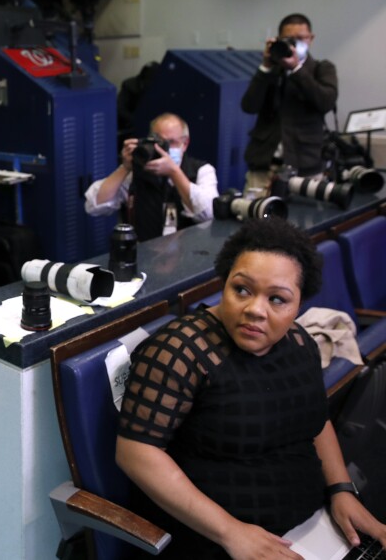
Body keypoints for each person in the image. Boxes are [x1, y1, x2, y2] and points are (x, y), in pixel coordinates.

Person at [116, 217, 386, 558]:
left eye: (277, 299)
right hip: (214, 537)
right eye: (241, 289)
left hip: (313, 526)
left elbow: (315, 423)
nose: (254, 310)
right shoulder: (179, 351)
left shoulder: (301, 344)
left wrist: (341, 490)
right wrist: (232, 533)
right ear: (224, 282)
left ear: (299, 304)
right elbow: (136, 453)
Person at [241, 13, 338, 192]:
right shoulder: (271, 71)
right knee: (257, 216)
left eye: (300, 38)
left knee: (306, 219)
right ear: (278, 40)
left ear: (311, 39)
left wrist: (296, 70)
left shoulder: (321, 68)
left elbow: (326, 102)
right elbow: (249, 106)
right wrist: (266, 68)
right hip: (264, 165)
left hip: (306, 166)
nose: (294, 44)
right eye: (289, 39)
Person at [84, 113, 218, 242]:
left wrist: (174, 172)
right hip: (145, 251)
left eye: (171, 142)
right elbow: (94, 206)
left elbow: (209, 213)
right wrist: (125, 167)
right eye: (160, 142)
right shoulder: (139, 172)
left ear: (185, 144)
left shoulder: (202, 171)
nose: (165, 149)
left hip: (188, 252)